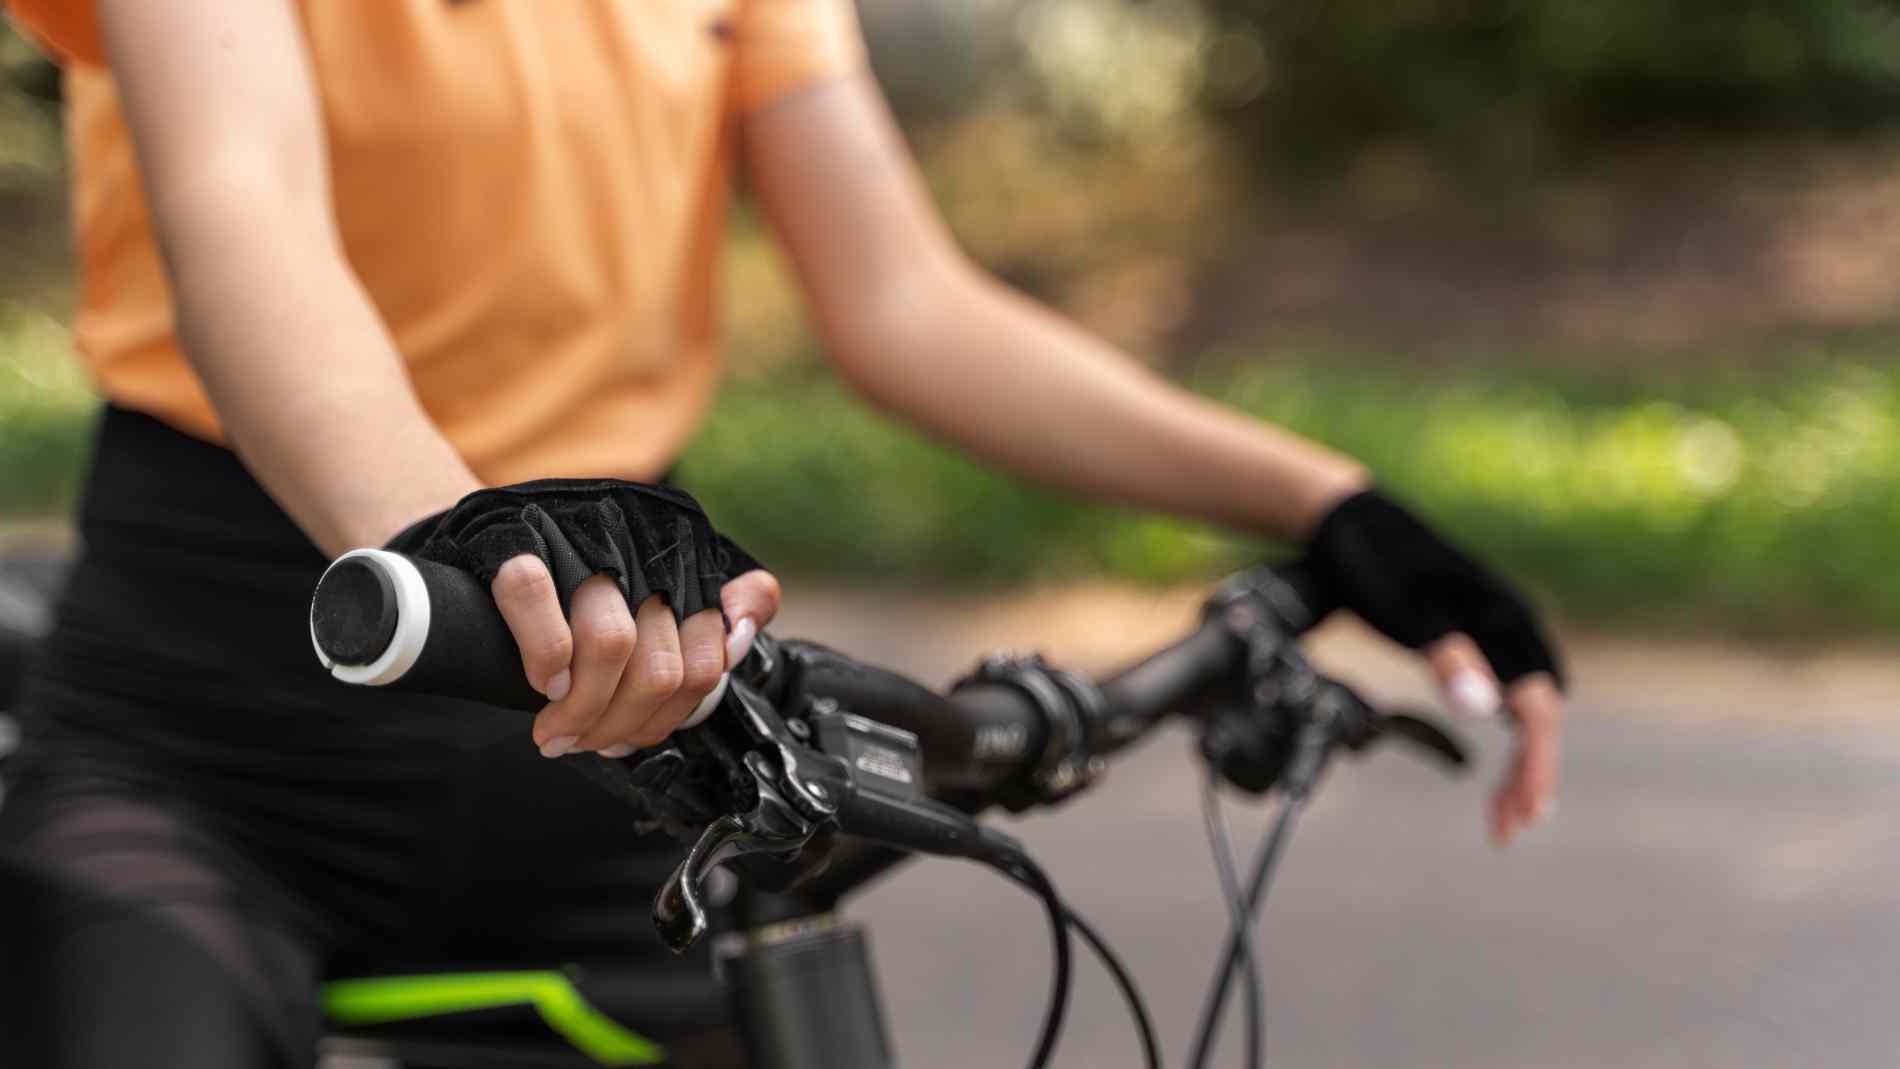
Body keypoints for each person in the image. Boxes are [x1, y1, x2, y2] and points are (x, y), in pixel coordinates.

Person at [0, 1, 1567, 1066]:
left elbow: (904, 300)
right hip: (221, 733)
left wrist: (1327, 505)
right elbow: (240, 206)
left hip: (630, 729)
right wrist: (453, 535)